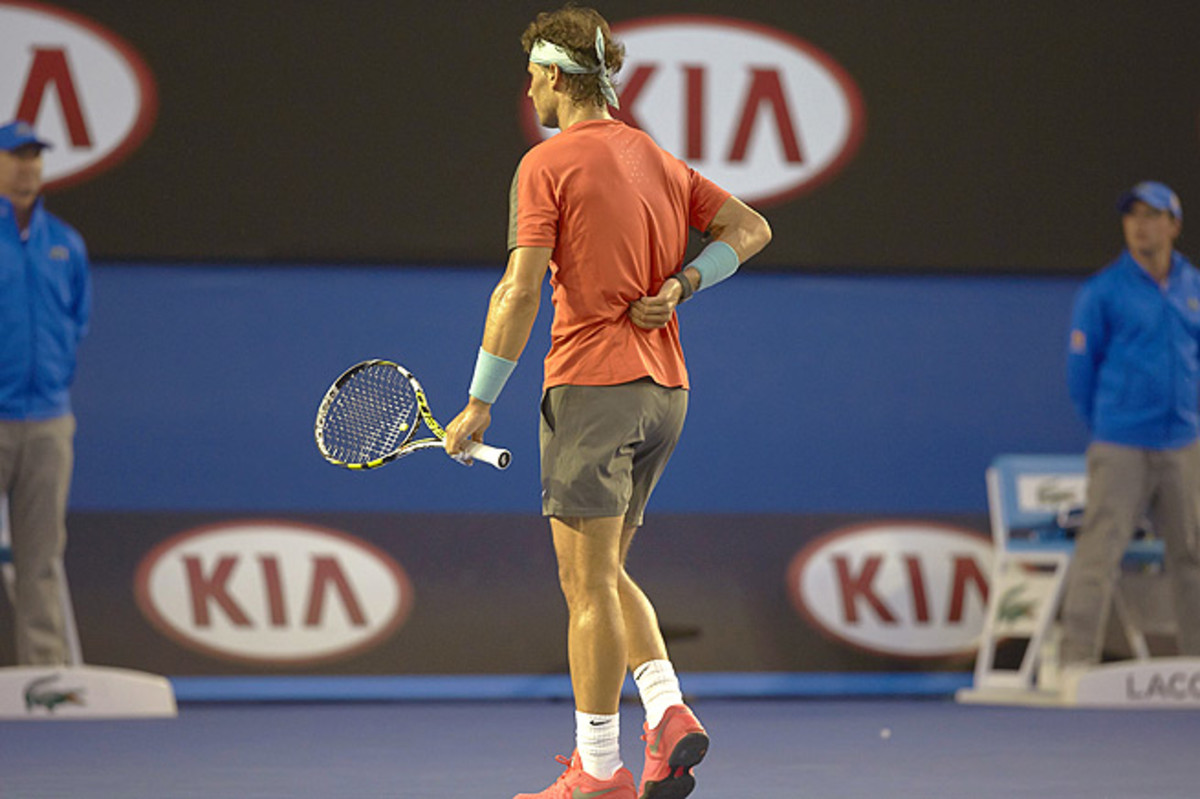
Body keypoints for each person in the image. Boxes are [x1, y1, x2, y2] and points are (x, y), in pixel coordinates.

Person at [444, 7, 770, 799]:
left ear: (555, 76)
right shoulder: (655, 158)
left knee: (585, 586)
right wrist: (684, 283)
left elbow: (520, 289)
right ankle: (666, 713)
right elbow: (749, 227)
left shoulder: (546, 163)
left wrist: (478, 400)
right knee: (607, 569)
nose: (529, 89)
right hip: (665, 394)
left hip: (594, 386)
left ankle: (596, 771)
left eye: (533, 75)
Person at [1063, 180, 1200, 671]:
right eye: (1133, 215)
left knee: (1193, 558)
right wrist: (1111, 424)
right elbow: (1081, 373)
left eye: (1152, 215)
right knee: (1099, 556)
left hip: (1184, 446)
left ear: (1174, 225)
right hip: (1121, 445)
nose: (1141, 225)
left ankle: (1196, 666)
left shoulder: (1194, 287)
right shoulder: (1103, 292)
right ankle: (1074, 665)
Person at [0, 119, 91, 665]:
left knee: (40, 559)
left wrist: (50, 382)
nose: (27, 168)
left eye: (34, 157)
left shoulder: (66, 244)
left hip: (49, 423)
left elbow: (76, 320)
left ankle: (46, 681)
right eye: (16, 156)